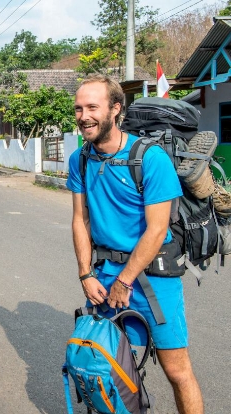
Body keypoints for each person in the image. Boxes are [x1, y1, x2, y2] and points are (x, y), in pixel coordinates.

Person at [66, 74, 204, 414]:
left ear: (116, 109)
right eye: (79, 108)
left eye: (93, 107)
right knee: (112, 366)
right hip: (105, 275)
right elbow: (80, 220)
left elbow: (157, 230)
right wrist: (85, 274)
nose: (84, 116)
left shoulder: (150, 158)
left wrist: (125, 281)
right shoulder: (80, 160)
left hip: (153, 276)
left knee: (176, 369)